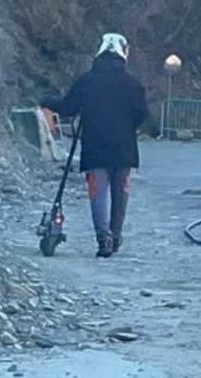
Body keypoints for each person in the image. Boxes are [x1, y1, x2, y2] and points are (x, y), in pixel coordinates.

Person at [40, 33, 149, 258]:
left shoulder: (87, 80)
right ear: (123, 52)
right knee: (121, 192)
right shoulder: (133, 84)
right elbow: (142, 115)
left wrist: (47, 101)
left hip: (94, 145)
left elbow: (68, 107)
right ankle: (116, 235)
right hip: (124, 147)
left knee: (97, 192)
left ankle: (103, 238)